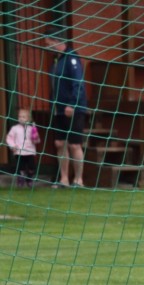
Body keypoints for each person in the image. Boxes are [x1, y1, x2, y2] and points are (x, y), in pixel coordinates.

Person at [43, 29, 88, 188]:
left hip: (74, 109)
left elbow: (78, 83)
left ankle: (78, 180)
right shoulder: (57, 60)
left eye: (48, 42)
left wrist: (72, 104)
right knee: (59, 143)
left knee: (74, 144)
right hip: (59, 109)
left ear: (56, 41)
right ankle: (64, 179)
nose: (46, 46)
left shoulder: (71, 57)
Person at [6, 108, 40, 187]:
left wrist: (35, 137)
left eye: (23, 117)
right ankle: (21, 178)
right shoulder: (15, 128)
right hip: (19, 152)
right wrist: (13, 146)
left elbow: (37, 140)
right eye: (19, 116)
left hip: (30, 151)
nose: (21, 118)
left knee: (32, 167)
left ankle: (29, 179)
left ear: (28, 119)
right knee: (21, 167)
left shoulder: (31, 128)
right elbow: (9, 138)